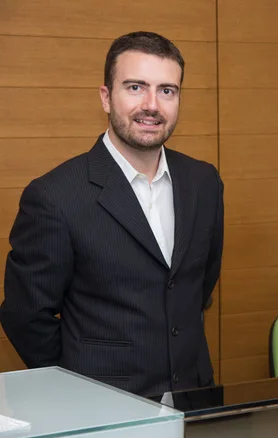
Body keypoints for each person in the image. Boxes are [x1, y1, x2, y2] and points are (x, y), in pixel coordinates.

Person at [0, 31, 223, 397]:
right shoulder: (55, 196)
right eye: (135, 87)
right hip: (103, 409)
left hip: (195, 399)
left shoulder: (204, 182)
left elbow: (198, 286)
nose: (152, 104)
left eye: (167, 90)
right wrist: (81, 382)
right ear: (106, 97)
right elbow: (26, 317)